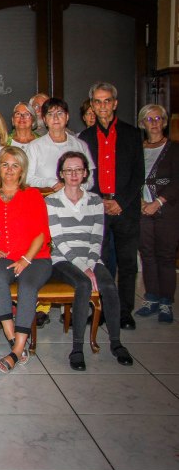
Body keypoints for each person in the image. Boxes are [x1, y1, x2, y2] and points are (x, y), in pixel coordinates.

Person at [45, 151, 133, 370]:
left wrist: (91, 264)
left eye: (78, 169)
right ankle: (77, 348)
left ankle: (116, 343)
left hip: (90, 257)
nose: (74, 174)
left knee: (109, 287)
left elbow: (97, 237)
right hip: (62, 259)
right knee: (83, 284)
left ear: (85, 173)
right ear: (61, 174)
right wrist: (84, 268)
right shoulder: (52, 201)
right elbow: (58, 240)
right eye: (68, 170)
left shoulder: (94, 200)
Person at [79, 82, 144, 330]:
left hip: (125, 207)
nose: (102, 106)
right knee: (101, 261)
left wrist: (120, 202)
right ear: (92, 105)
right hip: (98, 207)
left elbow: (138, 174)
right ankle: (103, 310)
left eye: (107, 101)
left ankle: (125, 312)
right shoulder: (85, 138)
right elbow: (83, 177)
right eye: (98, 101)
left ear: (115, 104)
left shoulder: (132, 134)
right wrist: (100, 202)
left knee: (127, 263)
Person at [0, 146, 52, 373]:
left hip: (36, 258)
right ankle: (12, 337)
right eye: (5, 165)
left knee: (28, 286)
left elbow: (41, 234)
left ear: (22, 170)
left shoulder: (32, 195)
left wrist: (25, 259)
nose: (10, 170)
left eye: (15, 165)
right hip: (5, 256)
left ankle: (17, 349)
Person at [135, 104, 179, 323]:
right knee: (147, 254)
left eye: (158, 118)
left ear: (164, 121)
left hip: (167, 210)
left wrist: (158, 201)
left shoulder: (174, 149)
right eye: (149, 119)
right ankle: (151, 298)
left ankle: (166, 303)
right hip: (142, 209)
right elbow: (132, 176)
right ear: (142, 123)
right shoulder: (137, 149)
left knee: (166, 256)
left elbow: (177, 181)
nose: (154, 123)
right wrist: (140, 201)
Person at [26, 98, 94, 191]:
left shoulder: (81, 145)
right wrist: (52, 183)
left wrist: (71, 186)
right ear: (45, 119)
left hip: (76, 198)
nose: (55, 118)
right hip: (46, 197)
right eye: (50, 114)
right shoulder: (34, 146)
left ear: (67, 117)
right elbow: (28, 179)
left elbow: (90, 180)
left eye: (60, 113)